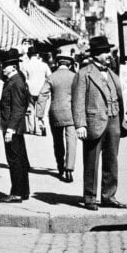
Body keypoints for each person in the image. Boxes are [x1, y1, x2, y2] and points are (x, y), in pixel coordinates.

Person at [72, 35, 127, 211]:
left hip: (113, 121)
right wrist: (80, 124)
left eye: (109, 52)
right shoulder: (84, 74)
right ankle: (89, 196)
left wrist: (121, 120)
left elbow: (118, 98)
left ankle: (108, 196)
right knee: (91, 160)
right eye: (105, 52)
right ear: (96, 54)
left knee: (112, 160)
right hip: (93, 122)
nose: (109, 55)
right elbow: (77, 100)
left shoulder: (112, 74)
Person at [0, 48, 30, 203]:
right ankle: (23, 191)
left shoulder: (15, 82)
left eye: (5, 65)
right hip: (15, 126)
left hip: (12, 127)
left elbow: (17, 108)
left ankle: (17, 192)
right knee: (21, 160)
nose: (2, 68)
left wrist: (10, 129)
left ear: (14, 67)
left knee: (15, 160)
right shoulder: (14, 80)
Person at [48, 54, 77, 183]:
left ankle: (60, 165)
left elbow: (43, 94)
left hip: (55, 113)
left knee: (57, 140)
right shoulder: (75, 77)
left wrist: (38, 114)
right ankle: (69, 168)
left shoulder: (51, 77)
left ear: (58, 64)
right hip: (71, 113)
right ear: (70, 65)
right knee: (71, 140)